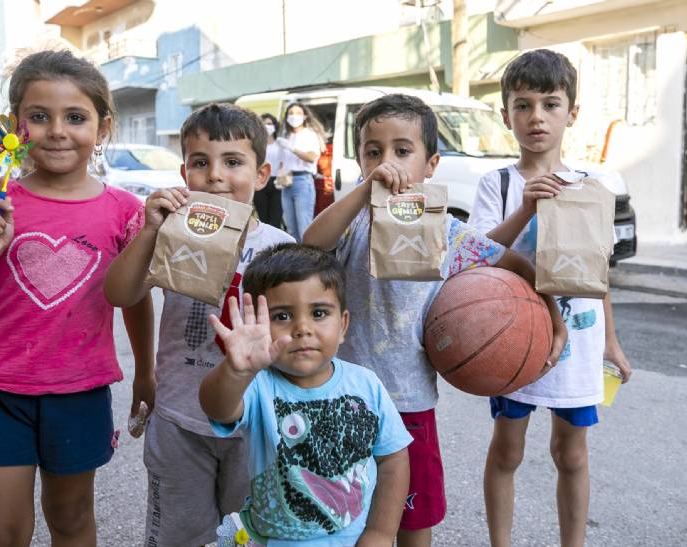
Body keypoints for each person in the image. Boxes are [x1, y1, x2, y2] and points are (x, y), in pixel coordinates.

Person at [302, 93, 568, 547]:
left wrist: (554, 321)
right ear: (362, 161)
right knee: (337, 514)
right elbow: (310, 245)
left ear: (431, 164)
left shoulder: (444, 229)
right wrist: (364, 192)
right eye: (373, 151)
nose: (388, 163)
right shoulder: (354, 223)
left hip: (410, 401)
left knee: (413, 515)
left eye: (402, 151)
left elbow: (512, 264)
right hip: (343, 396)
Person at [0, 50, 154, 547]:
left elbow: (135, 296)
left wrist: (145, 368)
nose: (57, 130)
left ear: (102, 130)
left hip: (80, 392)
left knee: (71, 519)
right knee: (1, 533)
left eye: (75, 117)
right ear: (15, 126)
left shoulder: (125, 212)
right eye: (39, 116)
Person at [104, 102, 294, 546]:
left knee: (255, 533)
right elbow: (119, 294)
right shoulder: (171, 234)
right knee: (177, 535)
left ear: (261, 175)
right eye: (201, 163)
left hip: (257, 424)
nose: (215, 175)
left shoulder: (280, 248)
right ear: (184, 171)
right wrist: (150, 231)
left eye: (233, 162)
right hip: (178, 419)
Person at [468, 49, 632, 547]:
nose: (536, 116)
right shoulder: (496, 183)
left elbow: (594, 270)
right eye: (522, 105)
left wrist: (611, 341)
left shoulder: (593, 185)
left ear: (571, 114)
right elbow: (476, 258)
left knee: (573, 454)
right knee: (508, 451)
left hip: (579, 339)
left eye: (550, 104)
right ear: (505, 115)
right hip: (516, 336)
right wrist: (525, 208)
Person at [200, 243, 412, 546]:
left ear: (343, 325)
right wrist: (236, 371)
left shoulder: (367, 385)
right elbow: (217, 408)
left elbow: (393, 460)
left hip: (353, 539)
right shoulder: (257, 384)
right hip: (274, 539)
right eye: (282, 316)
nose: (302, 328)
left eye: (319, 313)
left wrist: (381, 532)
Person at [276, 102, 324, 242]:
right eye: (290, 113)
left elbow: (311, 157)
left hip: (303, 181)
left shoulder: (309, 135)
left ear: (304, 116)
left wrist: (291, 147)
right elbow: (282, 162)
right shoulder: (285, 135)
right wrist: (279, 178)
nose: (294, 116)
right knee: (291, 229)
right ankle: (296, 261)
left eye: (297, 113)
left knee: (304, 227)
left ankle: (310, 262)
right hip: (286, 181)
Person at [253, 113, 283, 228]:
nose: (267, 126)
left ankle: (276, 245)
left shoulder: (280, 144)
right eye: (263, 124)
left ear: (275, 126)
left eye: (269, 124)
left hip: (277, 183)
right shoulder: (256, 146)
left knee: (276, 219)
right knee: (263, 219)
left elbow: (284, 164)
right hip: (260, 182)